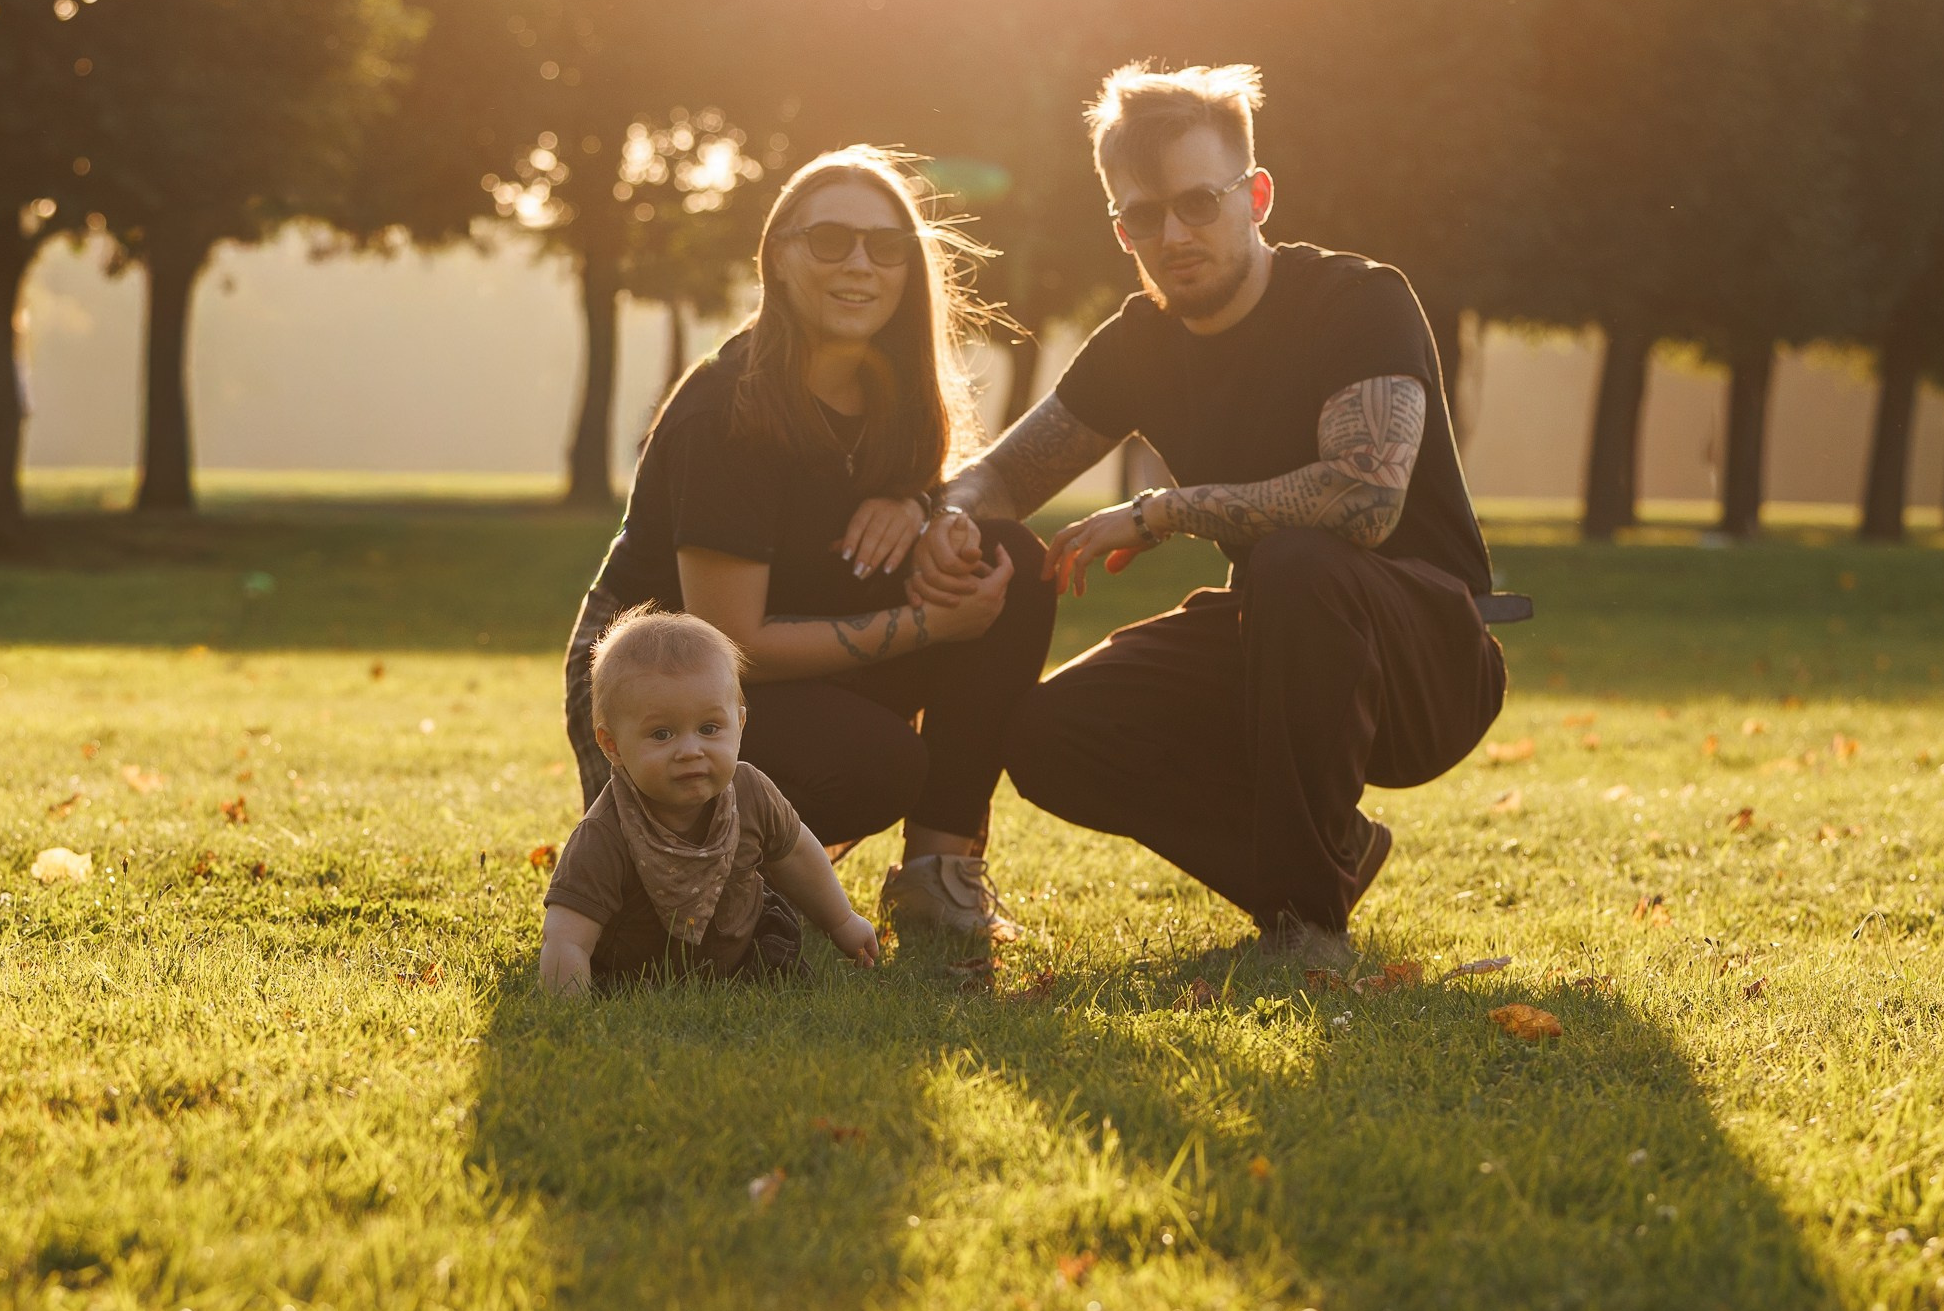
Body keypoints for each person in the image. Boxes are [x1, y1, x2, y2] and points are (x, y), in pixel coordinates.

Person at [921, 63, 1508, 964]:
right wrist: (944, 518)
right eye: (1141, 216)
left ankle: (1307, 931)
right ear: (1120, 227)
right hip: (1274, 643)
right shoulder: (1141, 343)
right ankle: (1327, 855)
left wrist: (1163, 512)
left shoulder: (1359, 301)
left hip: (1425, 655)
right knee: (1048, 736)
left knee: (1297, 561)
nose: (1172, 234)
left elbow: (1365, 500)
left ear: (1257, 195)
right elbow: (1000, 479)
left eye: (1199, 202)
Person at [561, 146, 1059, 941]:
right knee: (881, 761)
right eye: (830, 240)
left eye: (885, 245)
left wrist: (924, 508)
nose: (860, 264)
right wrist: (929, 628)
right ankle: (701, 864)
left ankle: (939, 876)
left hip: (792, 646)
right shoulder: (728, 409)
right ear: (780, 257)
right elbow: (732, 643)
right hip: (664, 687)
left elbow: (891, 501)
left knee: (1011, 565)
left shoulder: (891, 390)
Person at [541, 607, 879, 994]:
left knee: (778, 949)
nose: (690, 750)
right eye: (662, 734)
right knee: (616, 984)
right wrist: (568, 1008)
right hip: (636, 972)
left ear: (740, 726)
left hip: (742, 950)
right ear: (613, 746)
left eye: (708, 728)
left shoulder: (750, 790)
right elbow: (567, 935)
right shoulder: (607, 830)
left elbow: (797, 854)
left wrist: (842, 922)